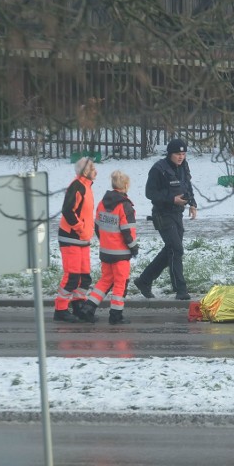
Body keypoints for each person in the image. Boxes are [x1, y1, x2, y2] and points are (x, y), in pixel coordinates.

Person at [133, 138, 197, 301]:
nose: (181, 157)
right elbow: (150, 193)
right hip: (162, 214)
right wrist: (171, 199)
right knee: (176, 249)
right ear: (170, 154)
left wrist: (192, 203)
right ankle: (180, 290)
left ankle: (144, 280)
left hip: (177, 214)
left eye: (183, 154)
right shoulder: (158, 169)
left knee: (171, 250)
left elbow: (187, 185)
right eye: (178, 154)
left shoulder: (183, 166)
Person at [80, 170, 139, 325]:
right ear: (126, 186)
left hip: (106, 251)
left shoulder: (102, 203)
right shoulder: (125, 206)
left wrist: (105, 242)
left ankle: (88, 307)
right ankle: (116, 315)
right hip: (121, 253)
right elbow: (128, 231)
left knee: (105, 280)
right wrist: (134, 248)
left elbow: (97, 227)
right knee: (121, 283)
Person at [53, 157, 97, 322]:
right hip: (71, 238)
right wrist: (80, 228)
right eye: (93, 169)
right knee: (72, 276)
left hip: (82, 239)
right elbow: (68, 211)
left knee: (84, 277)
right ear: (86, 171)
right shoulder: (77, 186)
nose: (96, 172)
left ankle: (78, 305)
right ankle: (61, 309)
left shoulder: (86, 186)